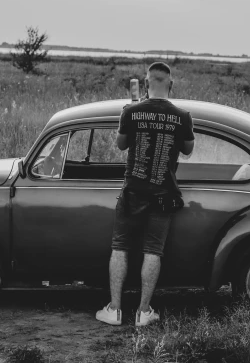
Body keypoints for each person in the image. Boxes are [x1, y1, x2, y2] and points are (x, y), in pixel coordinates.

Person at [96, 62, 195, 327]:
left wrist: (131, 112)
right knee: (153, 251)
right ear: (170, 85)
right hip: (164, 194)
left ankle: (115, 310)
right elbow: (188, 150)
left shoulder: (131, 111)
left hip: (132, 192)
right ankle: (143, 312)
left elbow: (121, 145)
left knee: (120, 248)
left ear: (146, 82)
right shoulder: (183, 116)